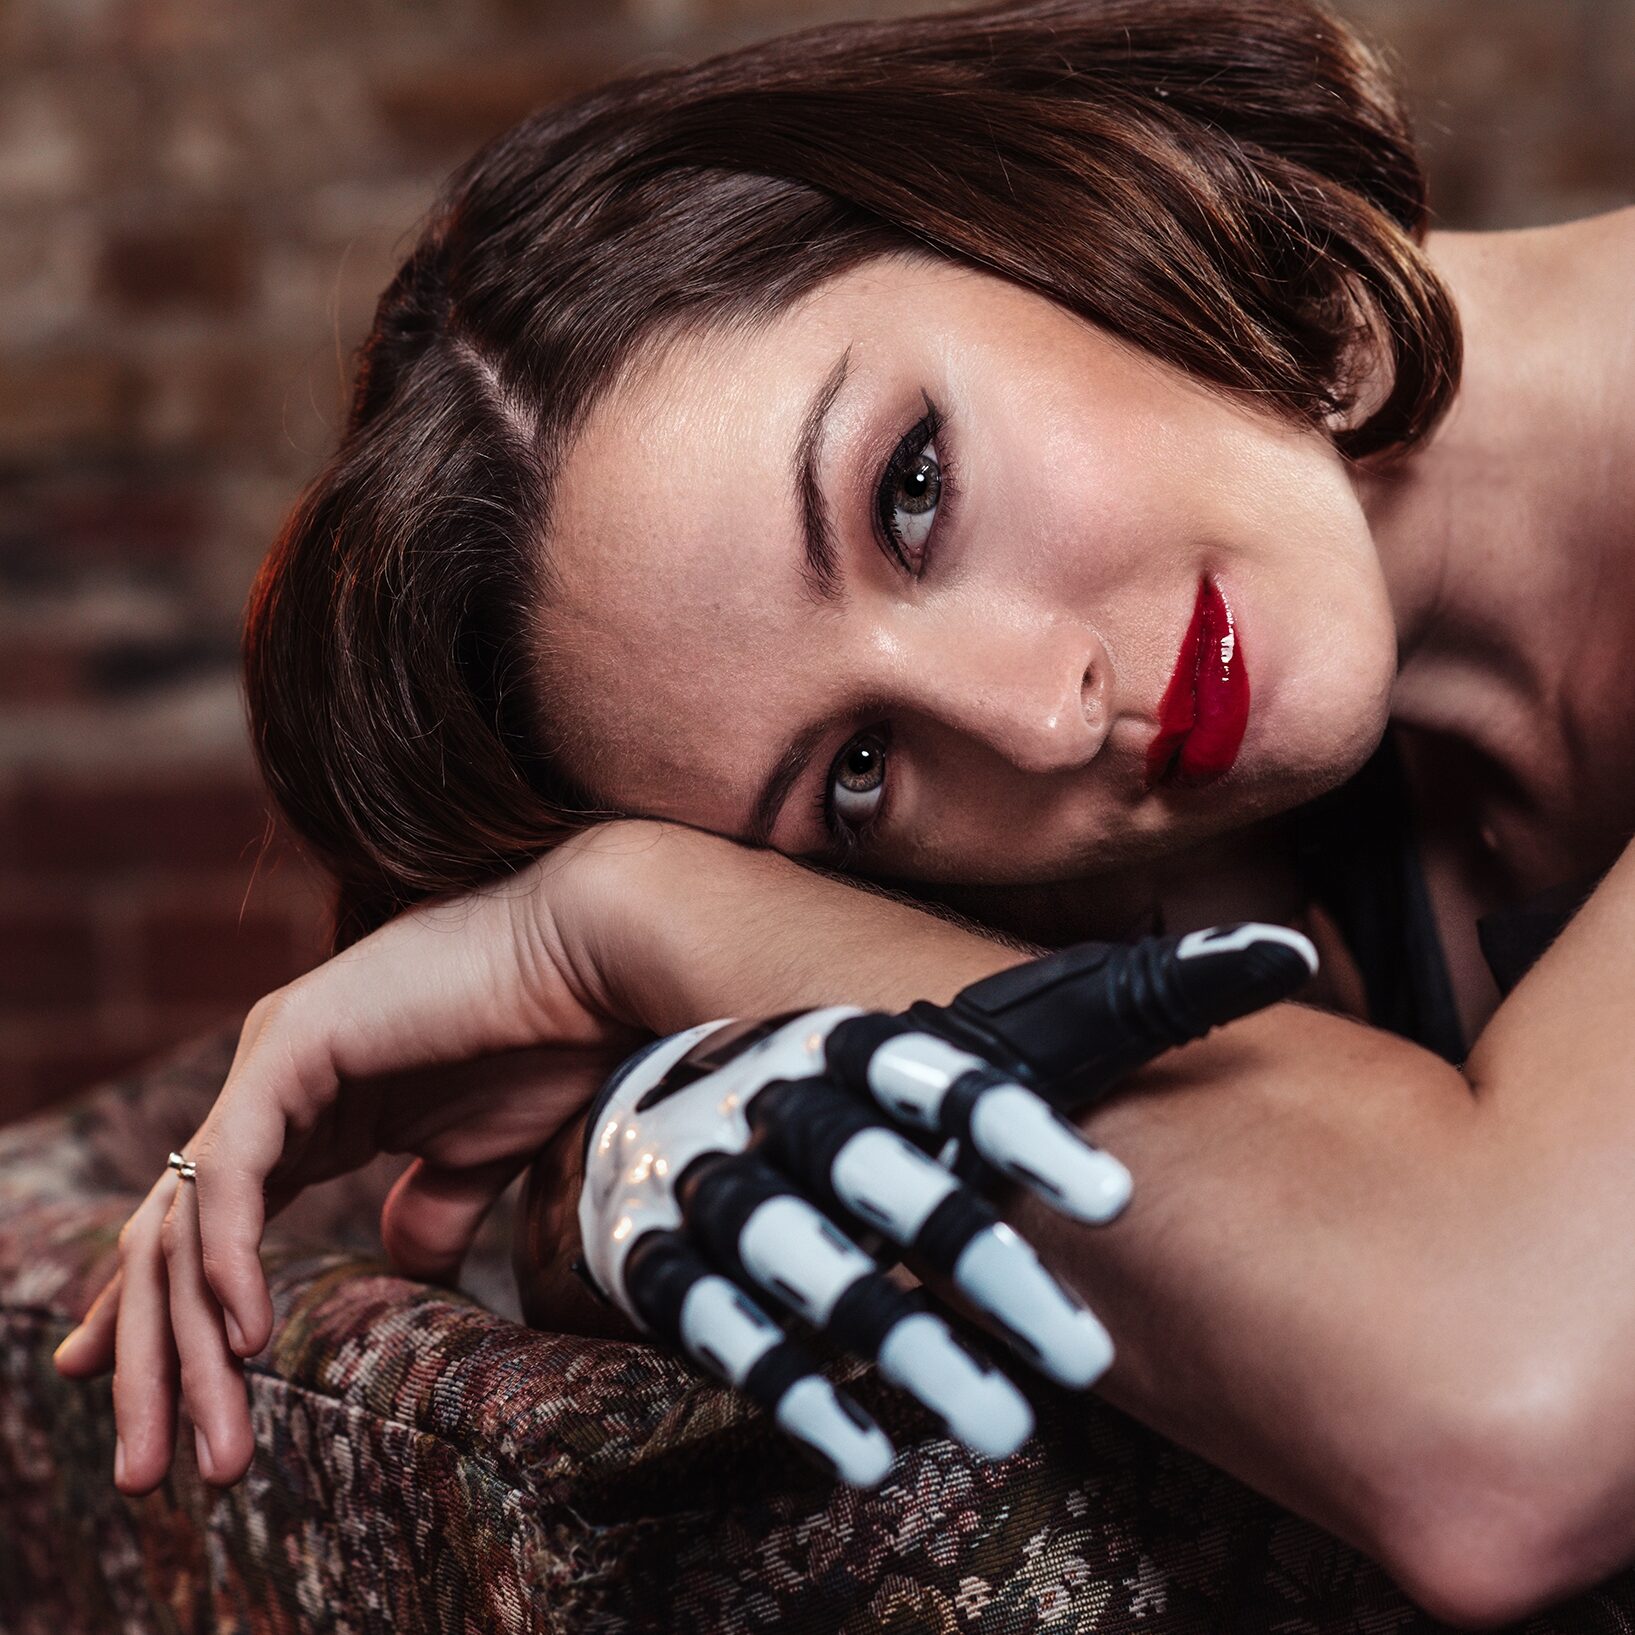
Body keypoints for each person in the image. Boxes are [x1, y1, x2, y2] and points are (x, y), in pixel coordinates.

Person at [49, 0, 1635, 1620]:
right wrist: (631, 1130)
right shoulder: (1230, 845)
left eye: (913, 489)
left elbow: (1508, 1419)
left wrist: (613, 921)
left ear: (1029, 198)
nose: (1037, 715)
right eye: (858, 773)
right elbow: (533, 1205)